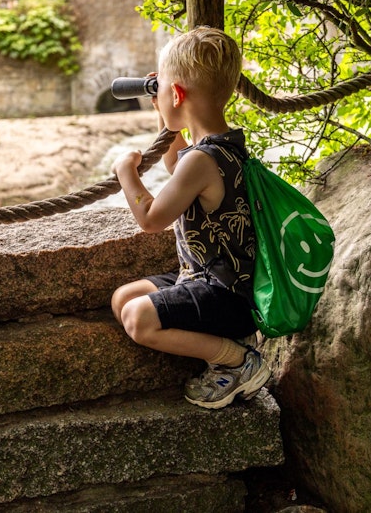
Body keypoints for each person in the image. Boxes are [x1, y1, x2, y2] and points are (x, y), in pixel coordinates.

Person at [109, 26, 270, 409]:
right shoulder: (221, 146)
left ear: (177, 94)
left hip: (226, 296)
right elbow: (173, 160)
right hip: (209, 279)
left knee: (136, 318)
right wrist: (164, 117)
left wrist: (125, 171)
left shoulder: (202, 159)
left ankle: (237, 361)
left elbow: (150, 220)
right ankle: (222, 348)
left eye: (162, 89)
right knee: (124, 297)